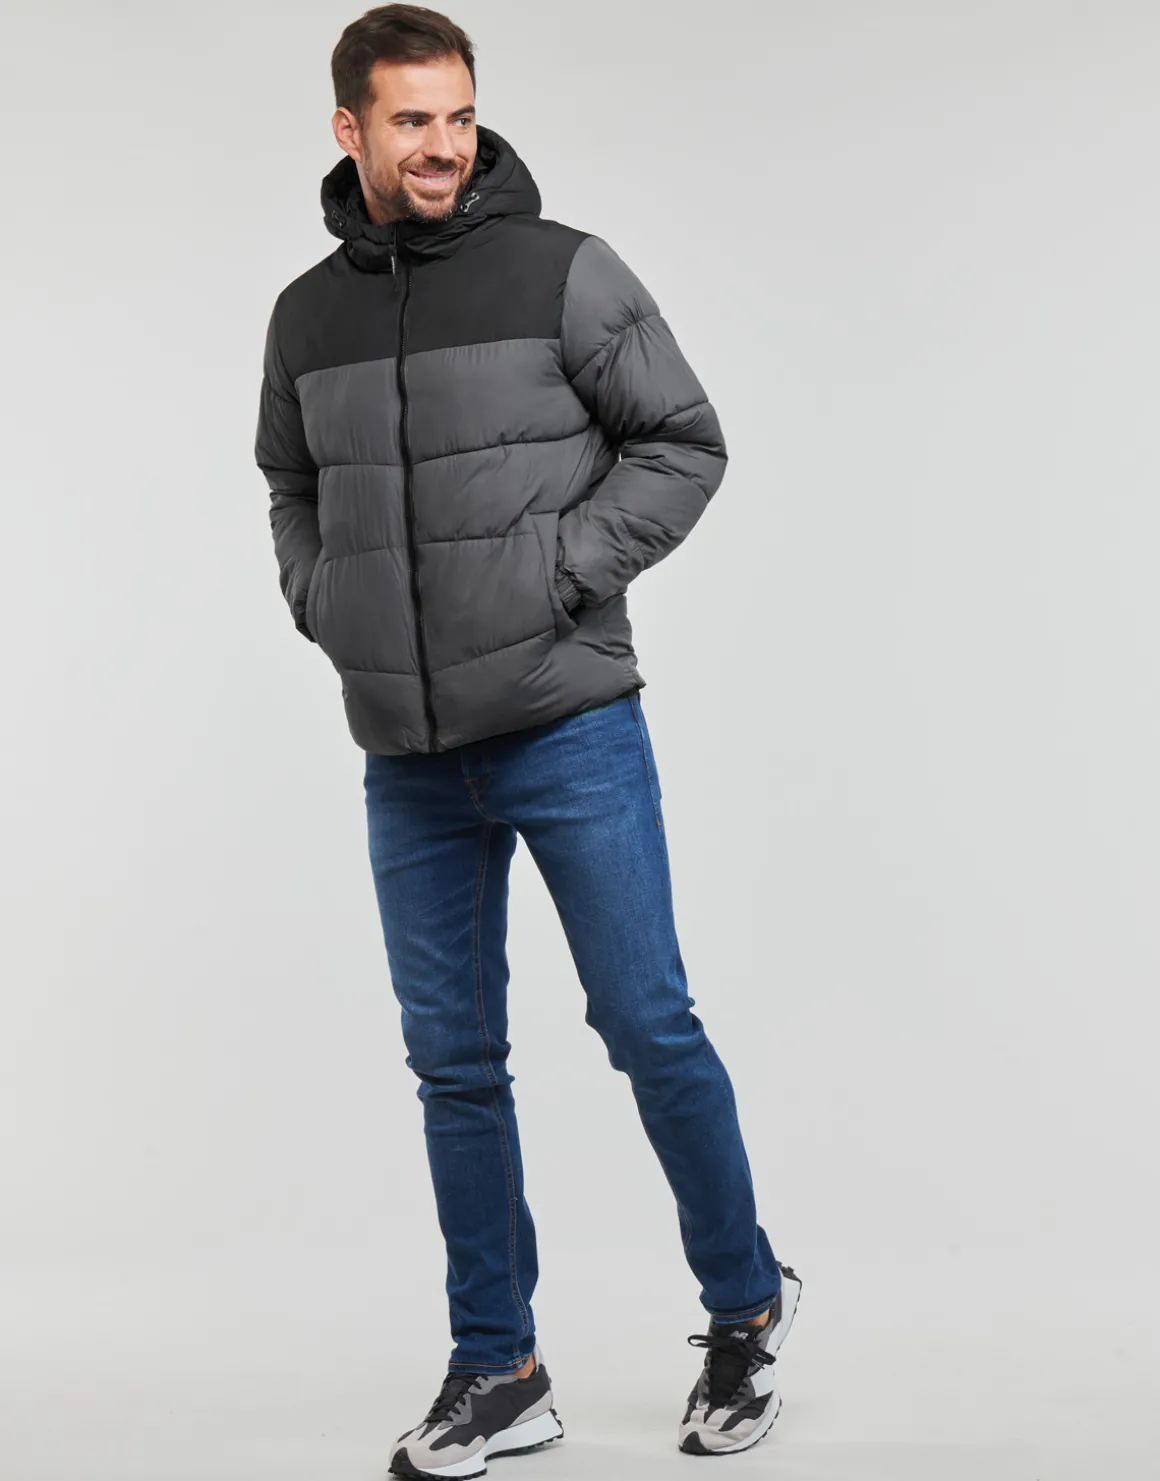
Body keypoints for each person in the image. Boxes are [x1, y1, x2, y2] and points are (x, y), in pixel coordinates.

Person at [254, 5, 802, 1474]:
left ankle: (747, 1307)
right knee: (454, 1065)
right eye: (412, 120)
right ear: (350, 129)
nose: (444, 145)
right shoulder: (306, 316)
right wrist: (329, 604)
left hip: (568, 726)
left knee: (645, 1021)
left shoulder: (565, 270)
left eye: (459, 115)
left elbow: (685, 440)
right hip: (407, 755)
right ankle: (498, 1367)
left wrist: (560, 572)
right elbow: (290, 486)